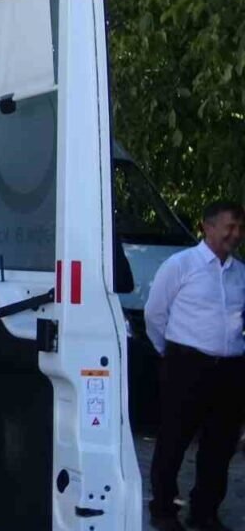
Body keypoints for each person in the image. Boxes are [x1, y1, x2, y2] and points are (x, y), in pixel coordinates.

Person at [144, 200, 245, 531]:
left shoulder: (240, 273)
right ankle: (163, 509)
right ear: (208, 227)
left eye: (240, 228)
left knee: (220, 446)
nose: (236, 234)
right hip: (187, 365)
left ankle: (204, 512)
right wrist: (169, 352)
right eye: (230, 227)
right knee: (173, 440)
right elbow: (154, 313)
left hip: (229, 370)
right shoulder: (181, 265)